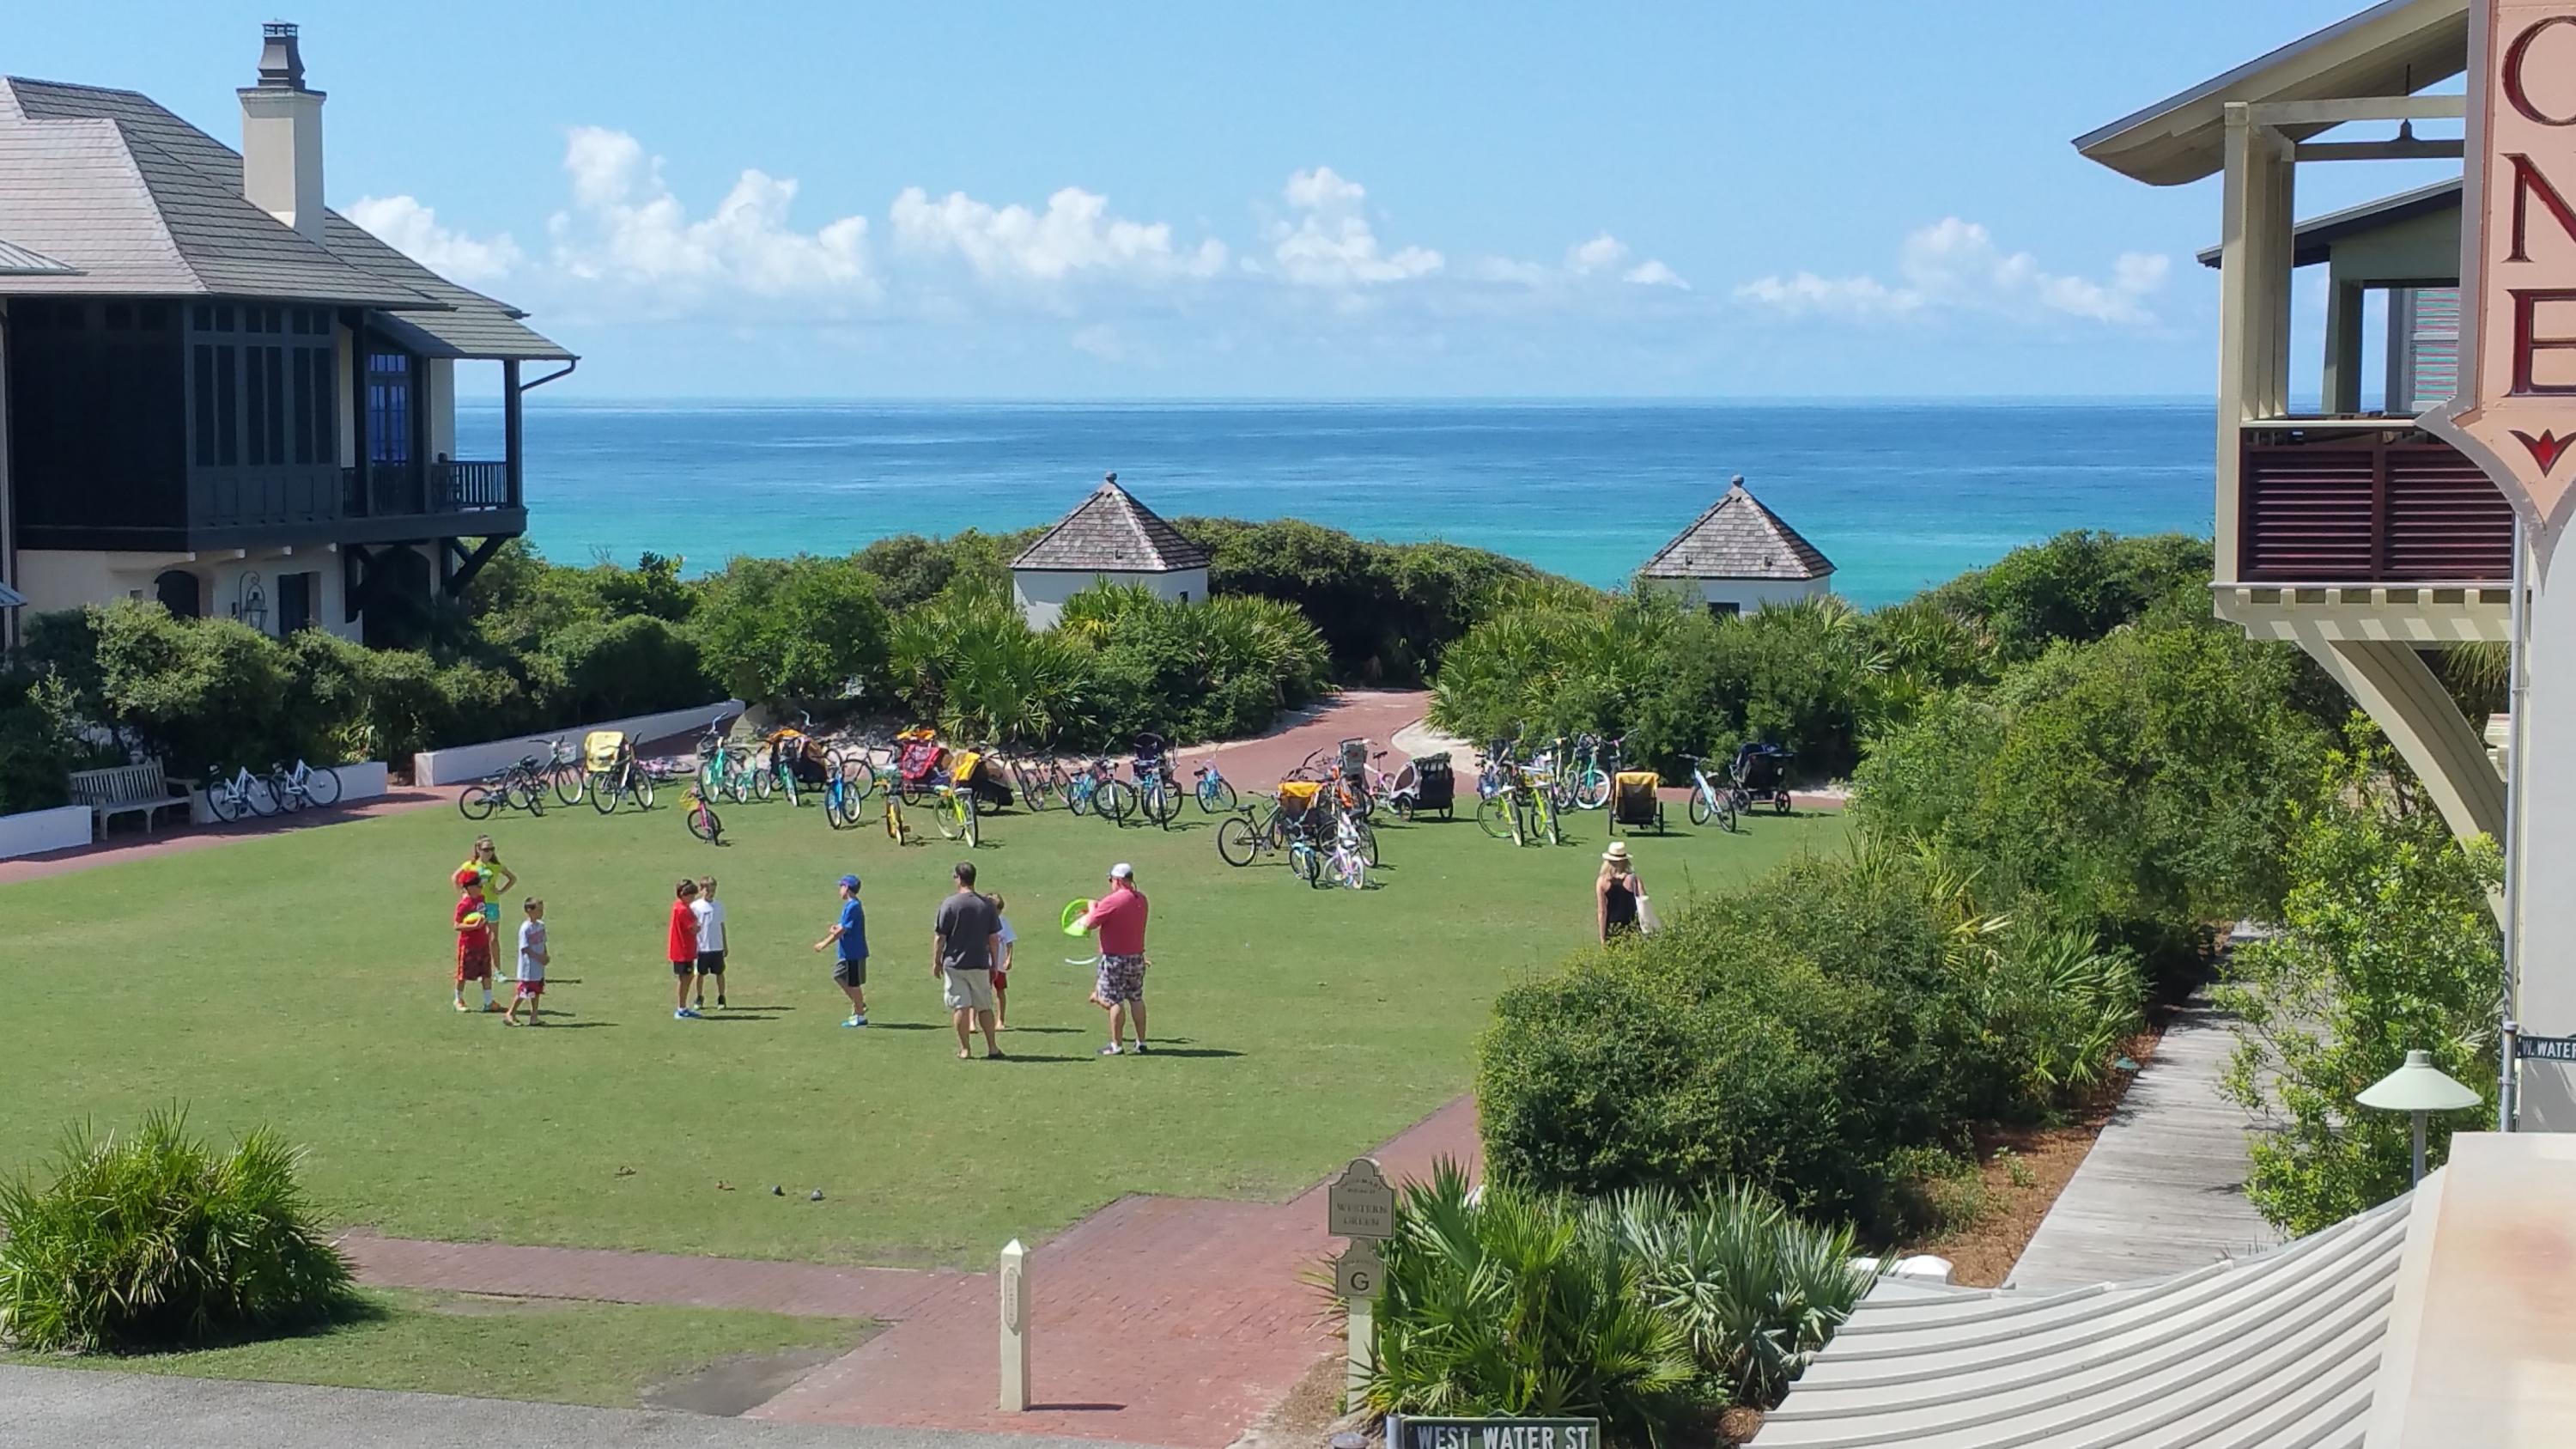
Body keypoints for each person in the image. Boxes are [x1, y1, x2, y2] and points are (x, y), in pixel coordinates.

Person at [932, 861, 1004, 1061]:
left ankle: (965, 1049)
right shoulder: (987, 906)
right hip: (979, 963)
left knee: (960, 1007)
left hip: (955, 964)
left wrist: (936, 961)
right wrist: (994, 964)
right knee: (985, 1006)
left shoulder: (950, 904)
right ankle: (992, 1048)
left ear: (958, 878)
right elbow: (993, 938)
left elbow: (940, 937)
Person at [1076, 862, 1150, 1056]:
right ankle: (1141, 1042)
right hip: (1137, 957)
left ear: (1117, 880)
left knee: (1115, 1001)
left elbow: (1089, 924)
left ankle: (1116, 1044)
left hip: (1115, 959)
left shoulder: (1112, 901)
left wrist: (1092, 907)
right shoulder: (1141, 899)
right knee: (1136, 998)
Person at [812, 874, 869, 1027]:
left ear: (847, 888)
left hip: (853, 953)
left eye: (841, 887)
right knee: (839, 975)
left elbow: (842, 930)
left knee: (853, 984)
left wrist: (823, 944)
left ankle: (860, 1014)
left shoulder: (853, 906)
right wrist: (836, 928)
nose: (839, 890)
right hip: (848, 952)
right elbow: (844, 926)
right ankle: (859, 1005)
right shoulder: (850, 906)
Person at [460, 835, 516, 977]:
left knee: (493, 937)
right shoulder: (471, 865)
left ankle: (497, 971)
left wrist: (501, 891)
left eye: (492, 849)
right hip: (476, 905)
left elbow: (512, 878)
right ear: (478, 849)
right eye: (486, 849)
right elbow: (456, 878)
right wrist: (465, 894)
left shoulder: (496, 866)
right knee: (477, 938)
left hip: (492, 904)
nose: (489, 852)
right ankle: (479, 970)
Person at [452, 868, 496, 1013]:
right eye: (479, 885)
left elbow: (484, 915)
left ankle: (488, 1002)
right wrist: (473, 927)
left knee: (486, 973)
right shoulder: (464, 905)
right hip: (468, 945)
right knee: (463, 975)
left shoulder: (481, 899)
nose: (481, 888)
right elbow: (457, 925)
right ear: (470, 887)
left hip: (483, 942)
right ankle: (458, 1000)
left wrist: (487, 926)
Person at [504, 897, 549, 1026]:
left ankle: (534, 1016)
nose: (541, 913)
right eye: (539, 910)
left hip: (538, 967)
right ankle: (510, 1013)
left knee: (536, 991)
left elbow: (543, 942)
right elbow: (525, 949)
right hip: (528, 968)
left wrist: (545, 955)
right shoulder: (525, 928)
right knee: (524, 992)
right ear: (529, 911)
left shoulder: (541, 926)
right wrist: (539, 957)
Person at [690, 875, 729, 1011]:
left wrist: (725, 944)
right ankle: (699, 997)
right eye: (708, 890)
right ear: (701, 890)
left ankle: (721, 997)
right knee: (700, 974)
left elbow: (721, 925)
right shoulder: (695, 907)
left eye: (713, 890)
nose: (711, 893)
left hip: (716, 946)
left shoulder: (719, 906)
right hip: (701, 947)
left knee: (719, 973)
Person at [667, 880, 703, 1020]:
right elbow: (694, 928)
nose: (693, 898)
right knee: (685, 978)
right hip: (683, 950)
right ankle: (681, 1008)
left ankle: (683, 1007)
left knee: (688, 976)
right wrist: (699, 926)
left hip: (684, 949)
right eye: (691, 896)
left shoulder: (679, 906)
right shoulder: (683, 910)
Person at [1598, 842, 1643, 941]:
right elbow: (1643, 903)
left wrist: (1602, 937)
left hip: (1612, 928)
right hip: (1632, 927)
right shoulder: (1634, 879)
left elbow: (1602, 911)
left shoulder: (1602, 881)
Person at [988, 894, 1016, 1031]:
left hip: (999, 964)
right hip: (984, 964)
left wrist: (1009, 958)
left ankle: (1000, 1020)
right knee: (980, 993)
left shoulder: (1004, 922)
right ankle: (972, 1022)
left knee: (1000, 991)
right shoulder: (982, 922)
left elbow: (1009, 942)